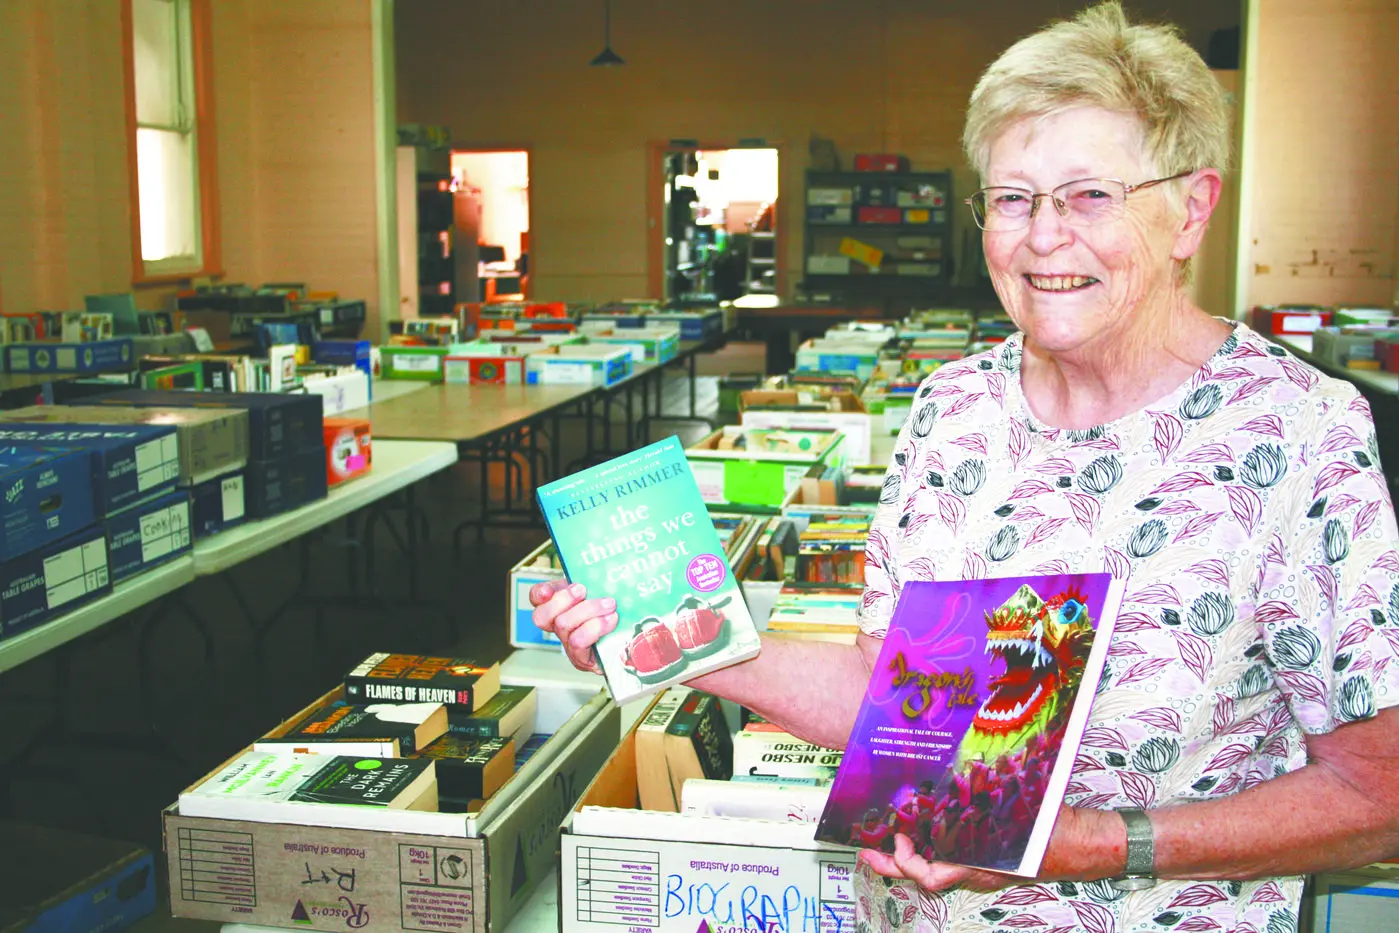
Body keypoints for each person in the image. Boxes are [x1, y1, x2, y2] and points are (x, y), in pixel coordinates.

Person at [532, 3, 1399, 929]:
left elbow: (1374, 794)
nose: (1041, 236)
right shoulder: (954, 407)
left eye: (1089, 195)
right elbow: (895, 697)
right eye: (1013, 197)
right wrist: (678, 635)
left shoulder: (1295, 432)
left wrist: (1097, 842)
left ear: (1190, 209)